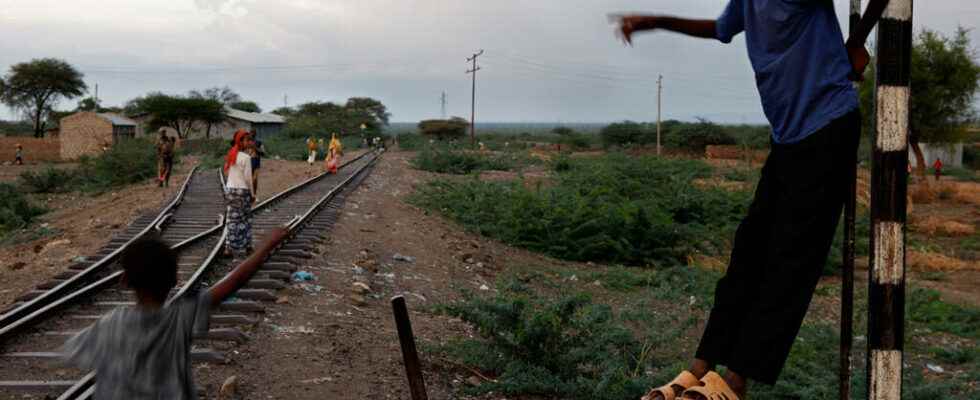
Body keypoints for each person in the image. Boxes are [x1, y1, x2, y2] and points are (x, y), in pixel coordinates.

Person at [613, 1, 891, 399]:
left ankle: (735, 380)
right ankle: (699, 369)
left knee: (790, 260)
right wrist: (656, 22)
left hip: (828, 126)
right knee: (748, 253)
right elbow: (720, 28)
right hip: (787, 137)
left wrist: (858, 39)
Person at [61, 227, 288, 400]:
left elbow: (71, 353)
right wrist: (265, 246)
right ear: (174, 280)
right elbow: (234, 281)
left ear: (125, 281)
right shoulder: (180, 319)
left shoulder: (109, 324)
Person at [223, 130, 255, 258]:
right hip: (242, 191)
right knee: (245, 218)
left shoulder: (231, 154)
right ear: (240, 141)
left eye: (249, 140)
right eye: (247, 140)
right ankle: (247, 246)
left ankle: (228, 247)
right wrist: (252, 194)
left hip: (230, 190)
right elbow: (248, 178)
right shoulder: (246, 158)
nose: (249, 142)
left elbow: (227, 173)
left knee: (231, 218)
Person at [248, 130, 264, 198]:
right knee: (249, 179)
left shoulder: (259, 142)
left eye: (253, 134)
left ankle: (254, 194)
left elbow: (263, 152)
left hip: (256, 160)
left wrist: (255, 147)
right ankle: (250, 194)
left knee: (254, 179)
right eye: (251, 134)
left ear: (255, 135)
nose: (252, 135)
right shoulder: (246, 142)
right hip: (249, 161)